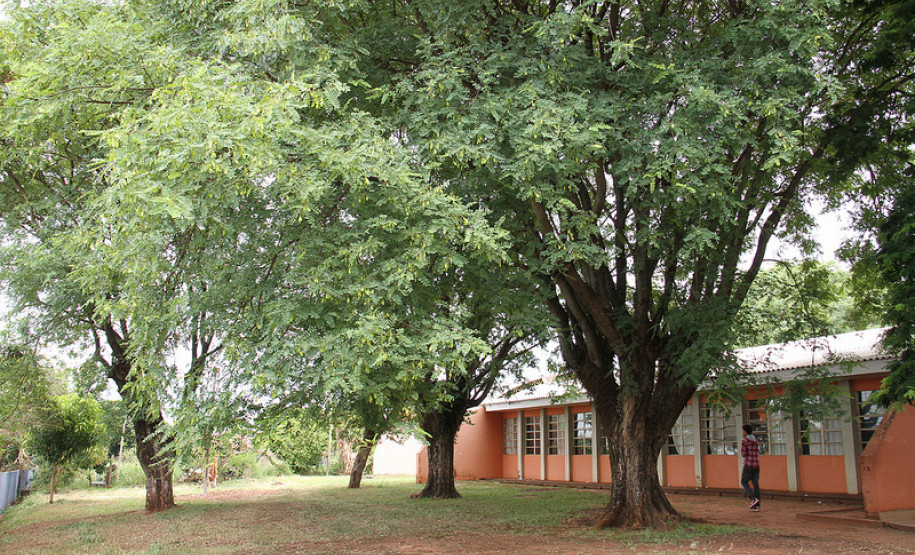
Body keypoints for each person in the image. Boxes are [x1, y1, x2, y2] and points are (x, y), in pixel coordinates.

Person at [741, 423, 761, 511]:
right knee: (755, 483)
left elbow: (743, 454)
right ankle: (757, 505)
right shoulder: (755, 440)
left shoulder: (745, 441)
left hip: (749, 464)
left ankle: (753, 498)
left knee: (744, 481)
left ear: (745, 431)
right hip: (756, 464)